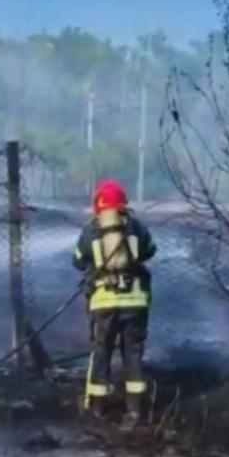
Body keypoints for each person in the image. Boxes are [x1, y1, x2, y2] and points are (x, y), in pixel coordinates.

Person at [72, 179, 157, 429]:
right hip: (135, 302)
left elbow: (78, 261)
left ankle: (96, 408)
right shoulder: (136, 227)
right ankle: (135, 411)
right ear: (123, 204)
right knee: (133, 353)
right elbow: (150, 250)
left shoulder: (91, 230)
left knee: (101, 352)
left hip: (104, 303)